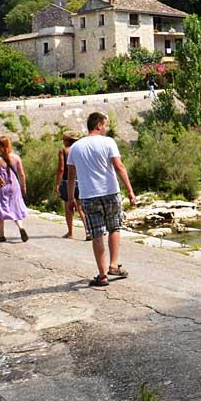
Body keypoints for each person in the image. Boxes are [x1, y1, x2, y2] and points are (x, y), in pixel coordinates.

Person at [66, 112, 137, 287]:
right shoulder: (108, 142)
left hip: (88, 196)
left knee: (97, 234)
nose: (105, 128)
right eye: (104, 124)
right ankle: (114, 265)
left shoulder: (76, 147)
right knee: (114, 228)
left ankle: (102, 275)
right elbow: (119, 166)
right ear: (98, 125)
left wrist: (70, 199)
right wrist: (130, 191)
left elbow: (71, 175)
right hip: (110, 192)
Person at [0, 136, 28, 242]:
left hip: (1, 187)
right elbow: (22, 175)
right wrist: (23, 187)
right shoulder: (16, 158)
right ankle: (21, 227)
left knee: (0, 210)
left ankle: (2, 235)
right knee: (16, 209)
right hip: (14, 187)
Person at [55, 132, 89, 239]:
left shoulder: (63, 151)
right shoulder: (80, 150)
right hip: (81, 180)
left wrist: (57, 183)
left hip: (67, 181)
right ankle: (88, 232)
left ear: (66, 140)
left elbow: (61, 169)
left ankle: (70, 232)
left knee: (68, 207)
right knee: (80, 207)